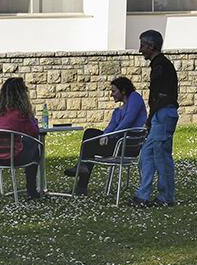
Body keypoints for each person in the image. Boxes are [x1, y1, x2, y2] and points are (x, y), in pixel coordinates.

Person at [62, 76, 147, 196]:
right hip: (116, 143)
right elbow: (110, 127)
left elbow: (128, 121)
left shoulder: (135, 97)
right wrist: (105, 135)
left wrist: (110, 136)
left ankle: (82, 175)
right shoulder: (117, 111)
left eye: (113, 91)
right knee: (90, 133)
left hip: (127, 145)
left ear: (123, 91)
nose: (111, 94)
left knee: (90, 143)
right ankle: (82, 172)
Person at [130, 29, 179, 208]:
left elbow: (160, 96)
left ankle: (166, 196)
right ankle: (143, 195)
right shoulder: (159, 65)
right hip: (160, 114)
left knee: (162, 155)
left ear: (151, 46)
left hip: (164, 114)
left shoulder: (161, 66)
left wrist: (151, 117)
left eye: (143, 45)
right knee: (146, 154)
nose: (140, 49)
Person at [0, 76, 43, 200]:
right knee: (35, 145)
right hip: (12, 157)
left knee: (26, 142)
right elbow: (34, 132)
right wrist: (32, 119)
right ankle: (31, 189)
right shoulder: (20, 112)